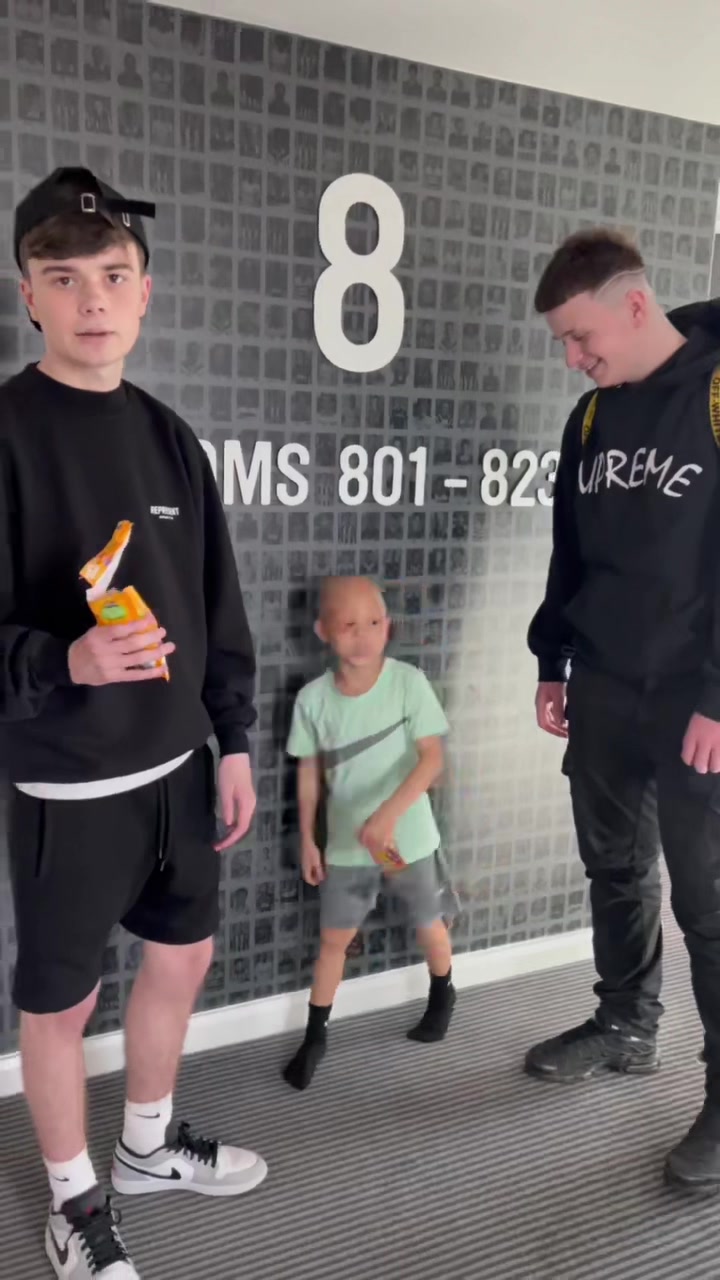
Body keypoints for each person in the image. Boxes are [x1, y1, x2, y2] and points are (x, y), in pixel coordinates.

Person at [4, 166, 267, 1278]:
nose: (93, 300)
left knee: (183, 955)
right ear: (28, 295)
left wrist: (234, 740)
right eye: (64, 278)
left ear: (146, 292)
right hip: (67, 782)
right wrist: (63, 657)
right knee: (62, 1002)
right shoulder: (7, 432)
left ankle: (149, 1147)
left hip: (179, 768)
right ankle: (74, 1201)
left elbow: (218, 607)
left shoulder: (171, 439)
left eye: (113, 276)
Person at [526, 227, 720, 1196]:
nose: (573, 357)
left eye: (580, 335)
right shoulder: (593, 416)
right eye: (563, 342)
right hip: (603, 680)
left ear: (634, 305)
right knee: (615, 866)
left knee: (709, 904)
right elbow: (570, 548)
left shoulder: (715, 395)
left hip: (696, 698)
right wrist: (552, 658)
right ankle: (626, 1023)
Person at [282, 576, 457, 1092]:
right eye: (349, 625)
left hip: (403, 844)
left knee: (427, 919)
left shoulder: (408, 683)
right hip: (348, 848)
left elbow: (433, 760)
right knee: (334, 938)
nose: (364, 636)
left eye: (375, 623)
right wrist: (308, 838)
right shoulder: (313, 700)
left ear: (389, 626)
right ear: (323, 631)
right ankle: (315, 1036)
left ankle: (443, 992)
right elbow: (309, 773)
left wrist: (387, 817)